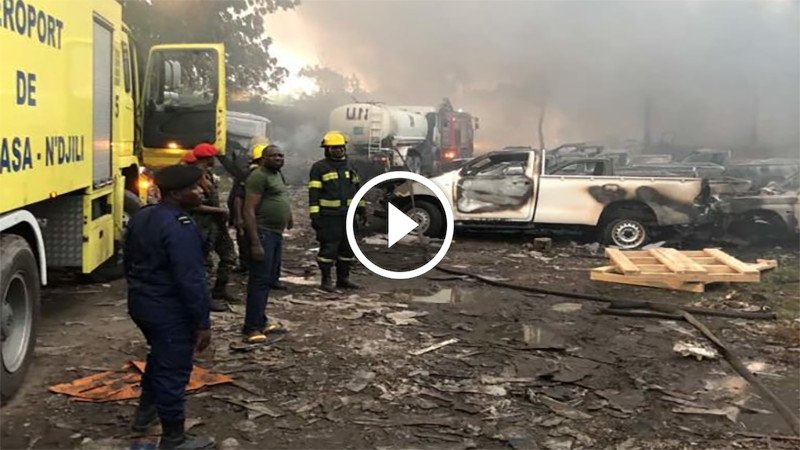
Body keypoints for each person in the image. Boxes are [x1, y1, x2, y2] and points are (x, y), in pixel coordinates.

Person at [124, 164, 214, 450]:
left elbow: (127, 261)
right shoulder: (179, 226)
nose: (201, 191)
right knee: (173, 370)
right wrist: (202, 323)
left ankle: (143, 418)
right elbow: (190, 279)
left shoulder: (144, 216)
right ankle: (174, 438)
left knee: (160, 358)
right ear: (176, 194)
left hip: (142, 303)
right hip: (168, 308)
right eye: (195, 188)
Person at [242, 144, 293, 343]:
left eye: (281, 155)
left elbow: (281, 196)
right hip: (263, 233)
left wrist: (288, 215)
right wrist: (255, 242)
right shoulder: (258, 177)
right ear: (263, 159)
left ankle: (261, 320)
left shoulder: (277, 174)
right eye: (274, 156)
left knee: (269, 278)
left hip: (275, 233)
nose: (279, 158)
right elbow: (248, 209)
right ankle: (251, 328)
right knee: (259, 281)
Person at [308, 131, 365, 292]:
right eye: (334, 148)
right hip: (329, 217)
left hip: (348, 215)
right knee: (329, 249)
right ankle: (326, 280)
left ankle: (343, 279)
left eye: (340, 147)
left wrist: (362, 209)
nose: (338, 150)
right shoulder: (319, 168)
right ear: (327, 149)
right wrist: (315, 215)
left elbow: (357, 189)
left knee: (347, 248)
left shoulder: (350, 166)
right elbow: (314, 193)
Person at [190, 143, 237, 311]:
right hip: (202, 225)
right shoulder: (193, 177)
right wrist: (219, 210)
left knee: (229, 256)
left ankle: (219, 291)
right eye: (213, 157)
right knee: (205, 264)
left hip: (216, 224)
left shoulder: (207, 174)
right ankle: (206, 299)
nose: (215, 160)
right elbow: (193, 206)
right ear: (208, 158)